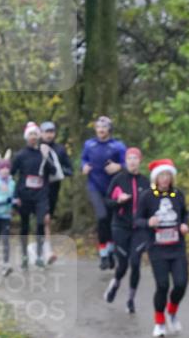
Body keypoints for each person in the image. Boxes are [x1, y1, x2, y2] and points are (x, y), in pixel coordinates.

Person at [136, 159, 189, 338]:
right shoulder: (148, 195)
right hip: (157, 248)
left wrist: (185, 224)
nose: (165, 179)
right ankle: (159, 322)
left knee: (181, 284)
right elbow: (137, 220)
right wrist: (148, 222)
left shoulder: (177, 194)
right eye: (162, 175)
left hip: (177, 247)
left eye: (168, 175)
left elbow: (184, 214)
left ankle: (172, 312)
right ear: (156, 178)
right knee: (162, 285)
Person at [103, 147, 150, 313]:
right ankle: (115, 283)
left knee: (135, 263)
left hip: (139, 229)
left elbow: (153, 204)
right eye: (129, 158)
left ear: (140, 161)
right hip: (120, 227)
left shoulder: (146, 182)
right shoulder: (118, 179)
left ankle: (131, 299)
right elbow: (107, 201)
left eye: (135, 158)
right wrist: (119, 201)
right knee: (122, 265)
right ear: (125, 161)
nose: (132, 161)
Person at [11, 122, 61, 269]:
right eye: (30, 134)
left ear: (38, 136)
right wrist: (15, 196)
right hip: (25, 195)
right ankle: (24, 255)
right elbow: (12, 174)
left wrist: (46, 157)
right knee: (25, 226)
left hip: (41, 195)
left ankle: (39, 255)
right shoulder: (20, 155)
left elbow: (53, 171)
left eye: (35, 134)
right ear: (27, 137)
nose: (33, 137)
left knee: (40, 223)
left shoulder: (43, 152)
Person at [80, 116, 126, 270]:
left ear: (109, 129)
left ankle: (110, 251)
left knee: (111, 221)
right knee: (102, 217)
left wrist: (119, 167)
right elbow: (83, 159)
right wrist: (84, 166)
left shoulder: (118, 146)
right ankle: (103, 254)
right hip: (95, 186)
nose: (101, 130)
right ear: (95, 129)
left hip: (113, 188)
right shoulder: (89, 144)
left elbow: (127, 163)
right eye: (98, 127)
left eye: (104, 127)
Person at [39, 121, 73, 263]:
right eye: (46, 132)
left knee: (47, 219)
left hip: (53, 188)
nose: (49, 135)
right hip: (37, 189)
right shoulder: (36, 148)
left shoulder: (60, 149)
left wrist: (58, 171)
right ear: (41, 133)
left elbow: (69, 169)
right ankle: (47, 250)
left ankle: (41, 247)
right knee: (45, 218)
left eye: (51, 132)